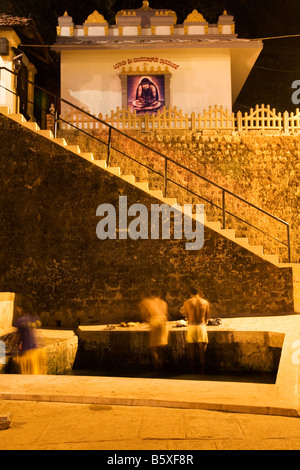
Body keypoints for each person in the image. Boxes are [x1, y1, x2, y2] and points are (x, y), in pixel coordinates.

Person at [11, 294, 47, 375]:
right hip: (38, 353)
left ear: (22, 308)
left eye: (18, 308)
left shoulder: (21, 321)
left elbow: (15, 339)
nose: (17, 310)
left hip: (27, 355)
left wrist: (9, 348)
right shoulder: (36, 319)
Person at [139, 293, 169, 376]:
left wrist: (148, 321)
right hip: (163, 321)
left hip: (155, 320)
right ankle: (162, 370)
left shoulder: (146, 302)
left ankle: (156, 371)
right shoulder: (163, 303)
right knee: (161, 348)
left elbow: (144, 315)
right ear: (158, 295)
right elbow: (166, 314)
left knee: (154, 348)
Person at [183, 287, 210, 374]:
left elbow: (187, 316)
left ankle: (192, 371)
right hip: (201, 326)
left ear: (191, 293)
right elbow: (207, 317)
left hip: (191, 326)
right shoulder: (205, 302)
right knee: (202, 351)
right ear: (199, 293)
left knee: (191, 351)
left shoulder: (187, 302)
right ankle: (202, 372)